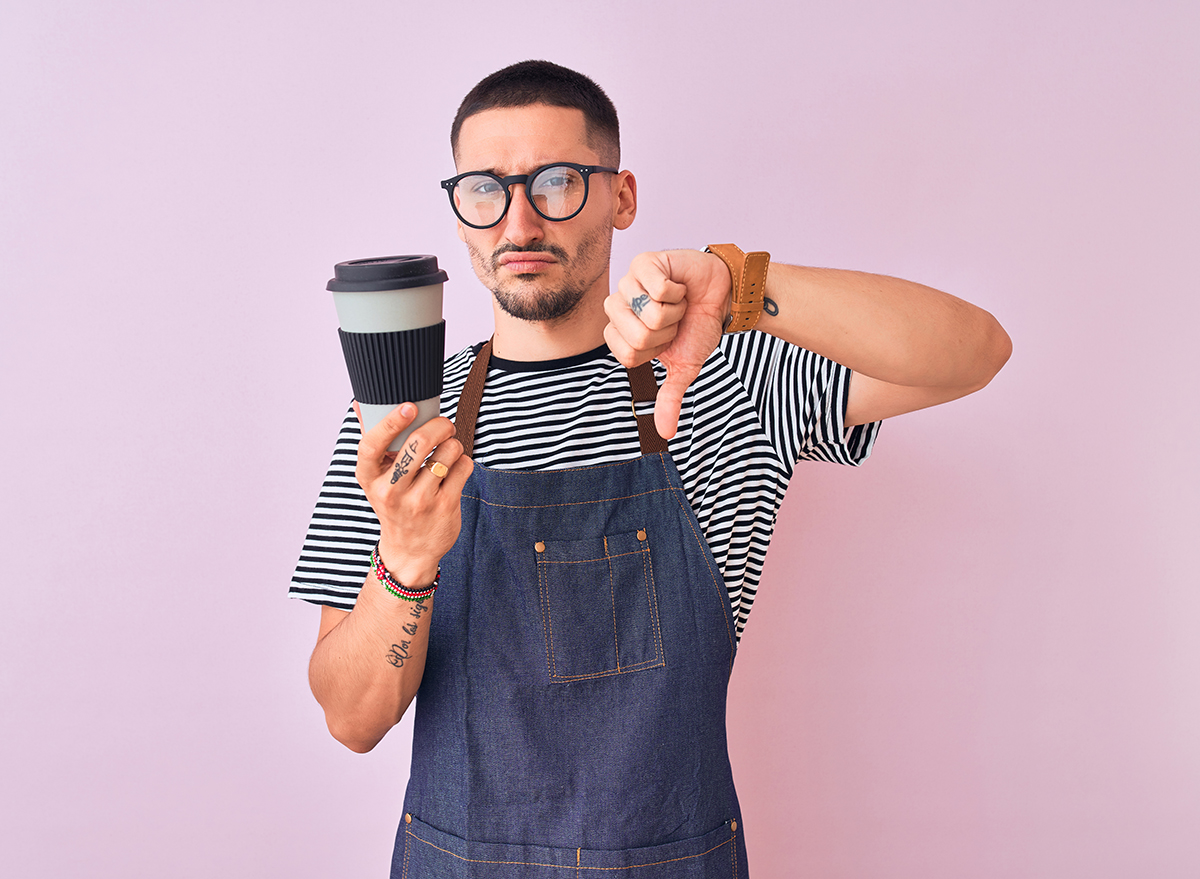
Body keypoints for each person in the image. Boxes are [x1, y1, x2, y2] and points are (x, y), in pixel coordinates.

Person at [290, 60, 1011, 877]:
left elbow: (977, 351)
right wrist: (408, 559)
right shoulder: (403, 424)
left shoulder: (726, 376)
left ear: (621, 195)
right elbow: (351, 719)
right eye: (486, 189)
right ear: (459, 213)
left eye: (557, 181)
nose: (519, 222)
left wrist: (741, 285)